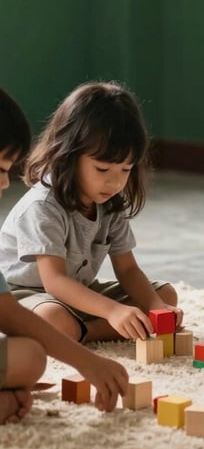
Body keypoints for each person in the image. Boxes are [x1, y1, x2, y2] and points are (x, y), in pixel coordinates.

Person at [0, 81, 183, 346]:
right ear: (68, 155)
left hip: (78, 292)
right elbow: (55, 281)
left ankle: (80, 329)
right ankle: (86, 332)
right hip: (27, 294)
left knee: (166, 295)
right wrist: (112, 311)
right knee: (54, 318)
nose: (115, 183)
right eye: (102, 169)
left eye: (126, 169)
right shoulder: (42, 206)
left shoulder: (109, 203)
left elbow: (128, 269)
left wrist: (156, 307)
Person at [0, 87, 129, 425]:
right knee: (31, 350)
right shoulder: (43, 206)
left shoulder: (111, 206)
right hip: (37, 295)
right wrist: (87, 361)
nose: (3, 184)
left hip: (58, 302)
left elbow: (6, 314)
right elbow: (18, 307)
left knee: (29, 356)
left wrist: (86, 361)